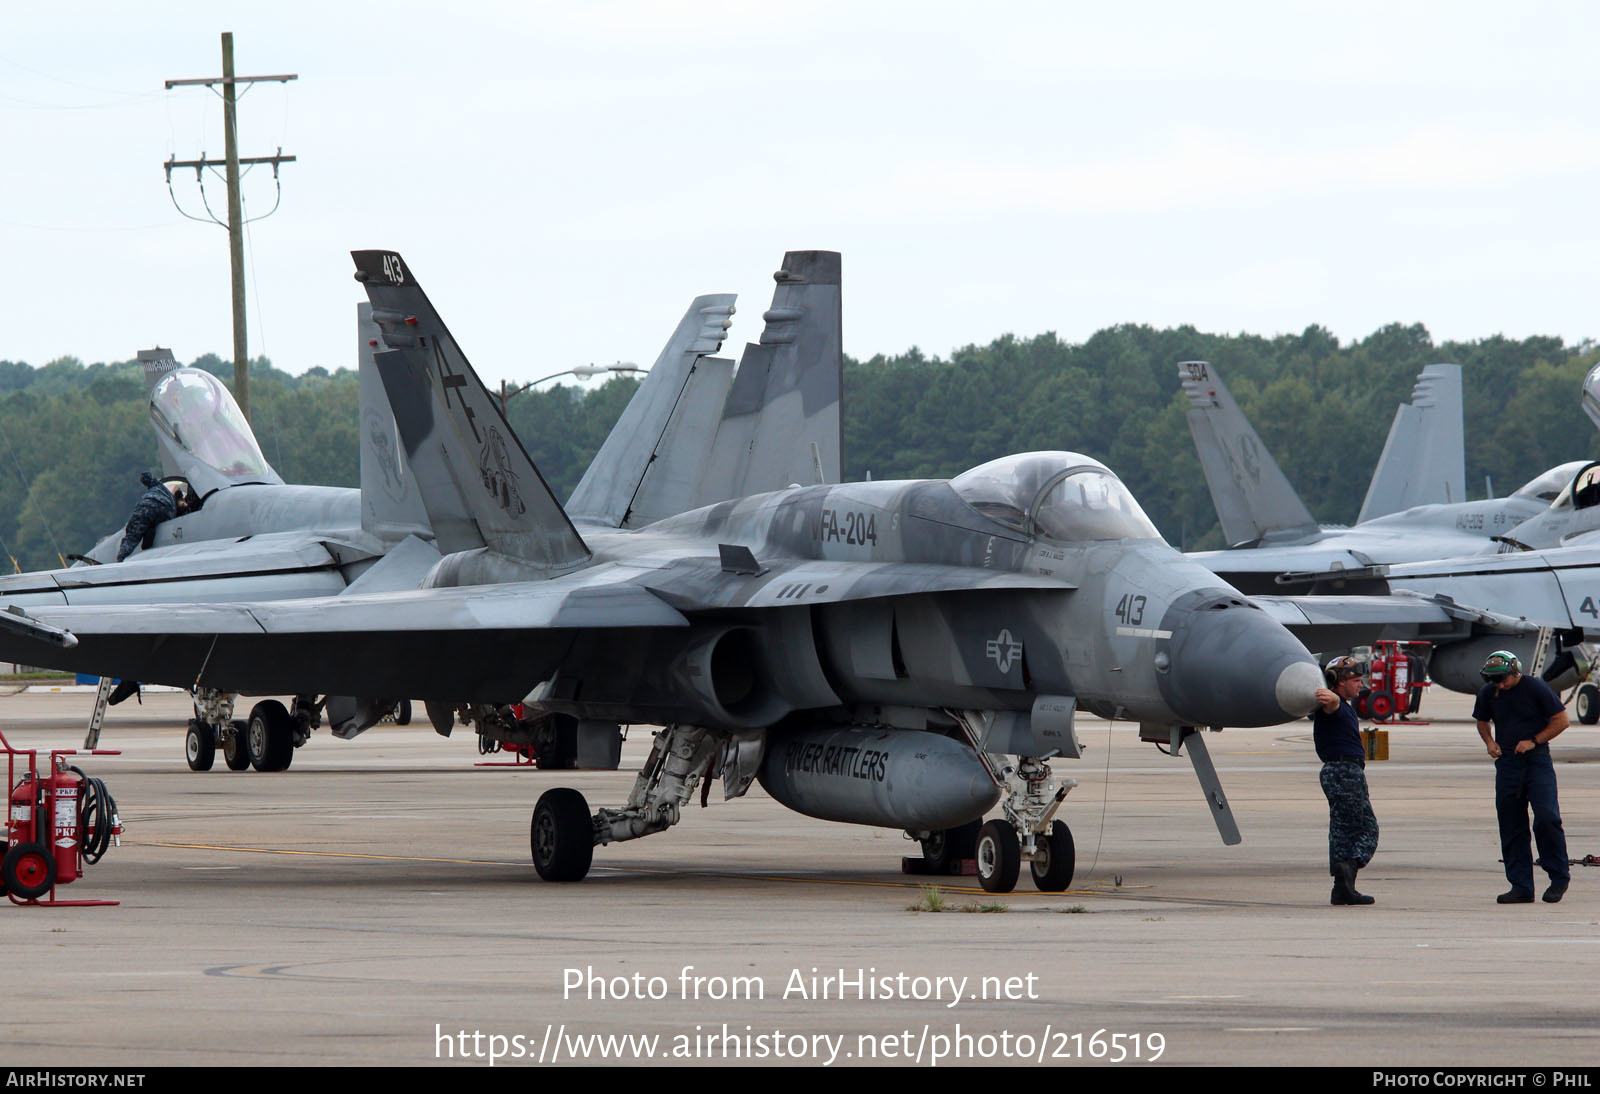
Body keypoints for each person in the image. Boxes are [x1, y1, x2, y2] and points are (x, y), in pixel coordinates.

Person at [1474, 650, 1570, 904]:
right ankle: (1521, 885)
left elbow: (1561, 720)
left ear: (1515, 672)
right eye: (1493, 680)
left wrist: (1534, 741)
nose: (1499, 684)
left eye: (1503, 678)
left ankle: (1558, 877)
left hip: (1536, 760)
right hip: (1507, 764)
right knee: (1511, 823)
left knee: (1547, 817)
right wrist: (1490, 742)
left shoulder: (1536, 688)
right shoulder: (1489, 692)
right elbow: (1482, 721)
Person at [1313, 655, 1379, 905]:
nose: (1360, 685)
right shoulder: (1335, 703)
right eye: (1355, 680)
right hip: (1345, 771)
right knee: (1367, 829)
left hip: (1338, 771)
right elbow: (1328, 700)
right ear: (1339, 682)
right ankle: (1348, 870)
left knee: (1341, 831)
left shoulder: (1344, 704)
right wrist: (1329, 689)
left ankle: (1342, 889)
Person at [116, 472, 188, 562]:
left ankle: (120, 560)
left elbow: (145, 476)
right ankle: (147, 546)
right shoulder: (172, 498)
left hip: (146, 507)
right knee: (152, 527)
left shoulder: (157, 486)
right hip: (166, 510)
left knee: (132, 536)